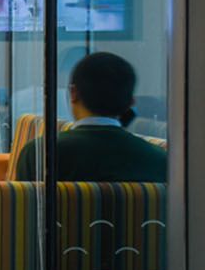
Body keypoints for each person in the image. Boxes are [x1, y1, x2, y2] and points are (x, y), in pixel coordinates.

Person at [13, 52, 166, 182]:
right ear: (130, 103)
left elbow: (25, 204)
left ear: (73, 93)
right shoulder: (159, 160)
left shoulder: (40, 153)